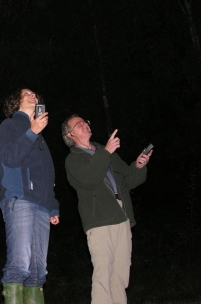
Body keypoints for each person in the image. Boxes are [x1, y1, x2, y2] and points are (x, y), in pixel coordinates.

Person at [61, 114, 152, 304]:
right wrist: (106, 153)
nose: (85, 125)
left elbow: (127, 179)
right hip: (99, 220)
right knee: (103, 273)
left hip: (121, 215)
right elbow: (89, 178)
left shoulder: (103, 150)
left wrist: (139, 165)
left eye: (85, 121)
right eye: (78, 124)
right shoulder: (73, 159)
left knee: (120, 275)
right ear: (70, 135)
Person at [0, 88, 60, 304]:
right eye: (26, 93)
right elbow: (11, 158)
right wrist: (31, 132)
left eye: (35, 94)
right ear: (15, 102)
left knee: (38, 272)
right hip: (20, 199)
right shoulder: (9, 126)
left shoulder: (39, 137)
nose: (33, 95)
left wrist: (53, 205)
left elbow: (48, 173)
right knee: (19, 265)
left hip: (42, 206)